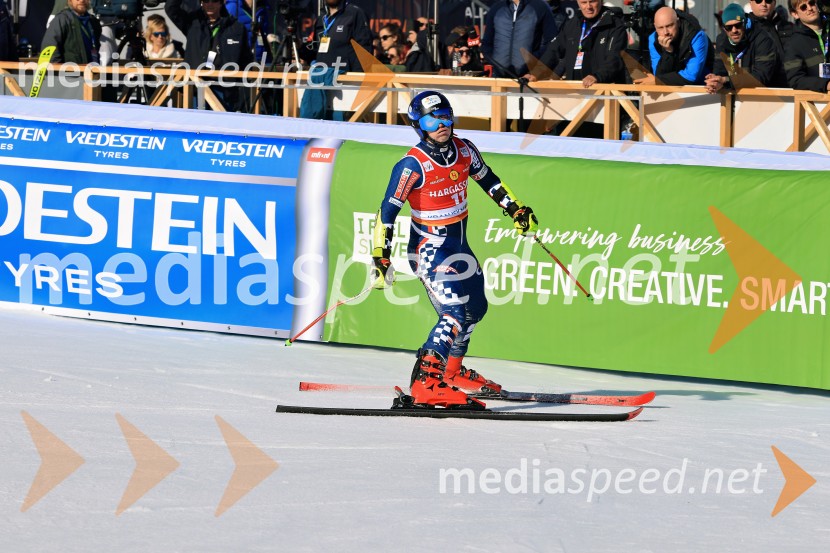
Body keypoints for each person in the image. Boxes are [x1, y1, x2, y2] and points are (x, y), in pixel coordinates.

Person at [370, 91, 539, 409]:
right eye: (432, 119)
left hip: (459, 246)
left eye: (446, 115)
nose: (442, 124)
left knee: (476, 308)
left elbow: (488, 179)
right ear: (419, 125)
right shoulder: (412, 165)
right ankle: (426, 384)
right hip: (429, 249)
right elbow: (387, 211)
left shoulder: (464, 149)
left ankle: (451, 371)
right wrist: (380, 254)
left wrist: (515, 208)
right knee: (454, 313)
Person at [165, 0, 252, 111]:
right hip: (196, 88)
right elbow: (171, 8)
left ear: (221, 3)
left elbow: (246, 59)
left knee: (221, 126)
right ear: (201, 3)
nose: (210, 4)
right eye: (206, 1)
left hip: (224, 89)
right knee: (196, 126)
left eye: (214, 1)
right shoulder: (192, 22)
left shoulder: (236, 28)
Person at [298, 0, 372, 119]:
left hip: (345, 83)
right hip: (321, 80)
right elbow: (318, 49)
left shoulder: (354, 13)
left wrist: (358, 81)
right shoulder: (322, 18)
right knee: (319, 127)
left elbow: (364, 51)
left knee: (341, 128)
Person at [531, 0, 627, 86]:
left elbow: (614, 58)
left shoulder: (615, 25)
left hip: (602, 89)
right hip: (575, 89)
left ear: (601, 1)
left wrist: (597, 77)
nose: (588, 6)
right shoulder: (573, 23)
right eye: (584, 2)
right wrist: (536, 73)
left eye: (592, 1)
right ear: (578, 3)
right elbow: (554, 49)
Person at [704, 3, 778, 92]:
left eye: (738, 25)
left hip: (764, 96)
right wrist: (715, 81)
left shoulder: (763, 39)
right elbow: (720, 70)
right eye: (729, 27)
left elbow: (761, 77)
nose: (734, 30)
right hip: (734, 94)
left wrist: (725, 80)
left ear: (745, 22)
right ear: (724, 28)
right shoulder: (721, 40)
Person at [635, 6, 713, 85]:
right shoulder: (653, 39)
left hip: (702, 88)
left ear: (678, 23)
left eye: (669, 26)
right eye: (660, 28)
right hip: (671, 87)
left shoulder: (696, 35)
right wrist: (668, 52)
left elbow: (692, 76)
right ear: (655, 27)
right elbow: (659, 74)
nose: (665, 32)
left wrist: (657, 80)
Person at [481, 0, 558, 78]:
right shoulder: (496, 8)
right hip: (498, 78)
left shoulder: (540, 7)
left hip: (528, 79)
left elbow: (552, 43)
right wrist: (495, 63)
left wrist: (534, 65)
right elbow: (486, 43)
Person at [783, 0, 830, 92]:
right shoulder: (793, 43)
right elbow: (795, 80)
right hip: (818, 102)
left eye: (811, 3)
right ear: (795, 14)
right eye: (803, 7)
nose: (809, 8)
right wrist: (826, 84)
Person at [747, 0, 793, 86]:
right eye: (758, 0)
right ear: (750, 3)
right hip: (755, 89)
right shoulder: (743, 28)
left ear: (774, 2)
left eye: (768, 0)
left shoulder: (788, 27)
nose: (764, 4)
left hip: (787, 88)